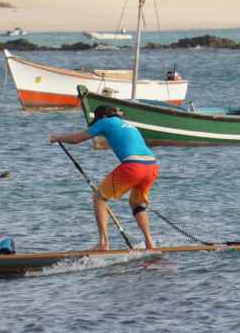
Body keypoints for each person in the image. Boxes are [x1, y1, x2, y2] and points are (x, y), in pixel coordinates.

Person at [49, 105, 158, 251]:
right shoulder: (130, 126)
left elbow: (76, 139)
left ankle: (103, 243)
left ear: (102, 117)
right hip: (152, 167)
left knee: (99, 198)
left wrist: (58, 137)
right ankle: (149, 243)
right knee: (136, 203)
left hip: (134, 166)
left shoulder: (105, 121)